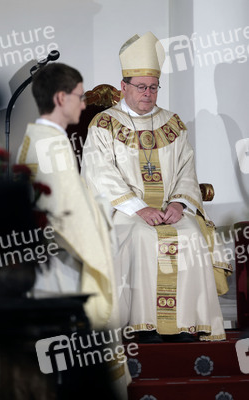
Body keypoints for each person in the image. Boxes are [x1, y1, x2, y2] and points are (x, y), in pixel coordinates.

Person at [81, 32, 233, 343]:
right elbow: (99, 174)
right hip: (124, 213)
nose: (148, 94)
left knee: (191, 235)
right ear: (124, 86)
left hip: (170, 210)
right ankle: (144, 326)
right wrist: (139, 208)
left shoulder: (172, 122)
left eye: (153, 87)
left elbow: (186, 170)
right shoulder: (104, 124)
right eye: (140, 87)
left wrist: (178, 204)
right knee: (140, 236)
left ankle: (189, 325)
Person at [16, 62, 131, 398]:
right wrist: (103, 242)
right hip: (66, 273)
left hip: (55, 266)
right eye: (80, 97)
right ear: (60, 97)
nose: (84, 105)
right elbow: (71, 217)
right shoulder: (50, 146)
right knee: (72, 371)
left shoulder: (40, 138)